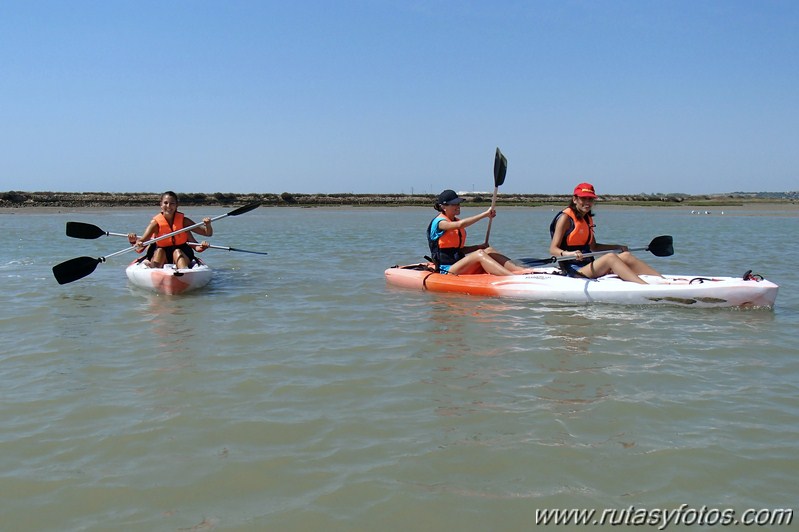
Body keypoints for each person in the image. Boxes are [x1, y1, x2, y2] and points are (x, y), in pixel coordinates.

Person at [549, 182, 662, 284]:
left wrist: (617, 247)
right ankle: (645, 287)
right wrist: (570, 254)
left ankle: (663, 280)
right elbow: (553, 249)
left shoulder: (587, 219)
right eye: (583, 199)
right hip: (573, 270)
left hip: (587, 266)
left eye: (590, 199)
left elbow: (594, 247)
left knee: (626, 256)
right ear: (575, 199)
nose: (587, 202)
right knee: (610, 258)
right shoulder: (565, 219)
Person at [428, 189, 529, 275]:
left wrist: (478, 246)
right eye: (454, 204)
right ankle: (512, 277)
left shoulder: (455, 220)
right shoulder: (440, 223)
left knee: (488, 250)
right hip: (446, 269)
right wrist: (485, 214)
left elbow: (459, 251)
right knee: (479, 254)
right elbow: (460, 225)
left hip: (458, 264)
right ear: (443, 207)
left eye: (458, 203)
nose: (458, 206)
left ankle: (524, 272)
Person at [127, 191, 213, 269]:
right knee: (160, 250)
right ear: (161, 205)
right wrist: (133, 242)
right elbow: (140, 246)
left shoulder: (184, 222)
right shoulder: (155, 224)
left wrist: (207, 226)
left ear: (176, 205)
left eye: (172, 203)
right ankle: (155, 270)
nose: (168, 206)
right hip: (162, 256)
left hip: (182, 254)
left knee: (177, 251)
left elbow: (206, 235)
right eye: (165, 203)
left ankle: (183, 272)